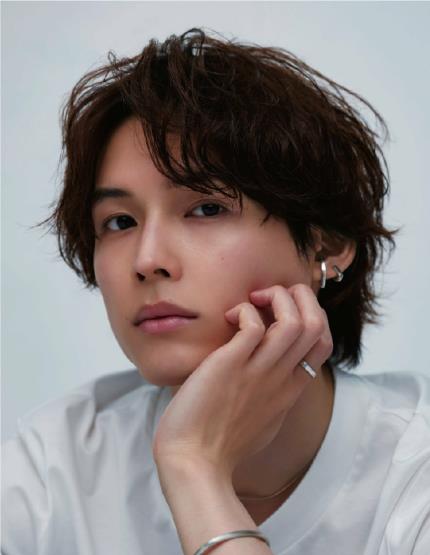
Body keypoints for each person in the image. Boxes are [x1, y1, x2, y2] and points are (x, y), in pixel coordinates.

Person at [2, 27, 429, 555]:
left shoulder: (413, 471)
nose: (147, 260)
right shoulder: (53, 475)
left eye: (206, 209)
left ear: (328, 243)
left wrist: (194, 467)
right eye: (118, 222)